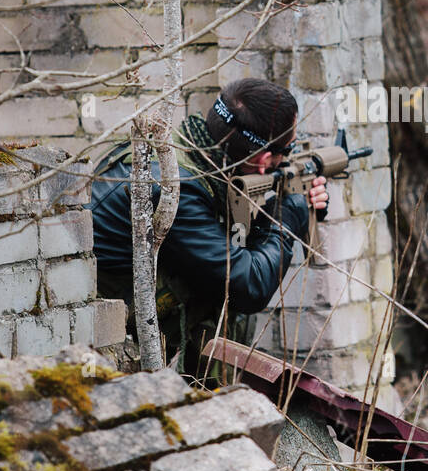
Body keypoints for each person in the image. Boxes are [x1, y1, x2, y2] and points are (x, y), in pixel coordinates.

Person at [87, 78, 328, 371]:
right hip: (110, 344)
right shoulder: (176, 189)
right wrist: (287, 217)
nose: (287, 160)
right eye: (286, 151)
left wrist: (279, 213)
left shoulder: (187, 152)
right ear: (264, 160)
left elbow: (227, 253)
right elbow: (248, 286)